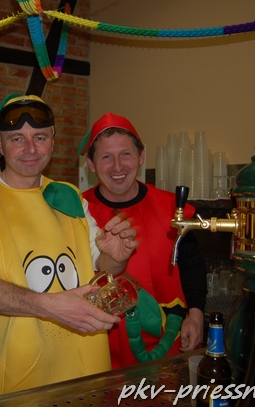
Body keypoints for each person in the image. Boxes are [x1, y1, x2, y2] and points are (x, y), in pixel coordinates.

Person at [0, 94, 139, 397]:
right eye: (17, 138)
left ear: (53, 142)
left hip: (80, 363)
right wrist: (50, 306)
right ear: (0, 145)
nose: (30, 149)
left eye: (40, 137)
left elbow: (100, 264)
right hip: (13, 369)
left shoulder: (68, 195)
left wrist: (116, 257)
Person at [79, 112, 207, 369]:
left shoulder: (172, 209)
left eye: (125, 154)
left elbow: (192, 266)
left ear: (141, 156)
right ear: (91, 164)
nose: (117, 166)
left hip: (168, 346)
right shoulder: (77, 211)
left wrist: (196, 313)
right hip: (98, 349)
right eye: (106, 157)